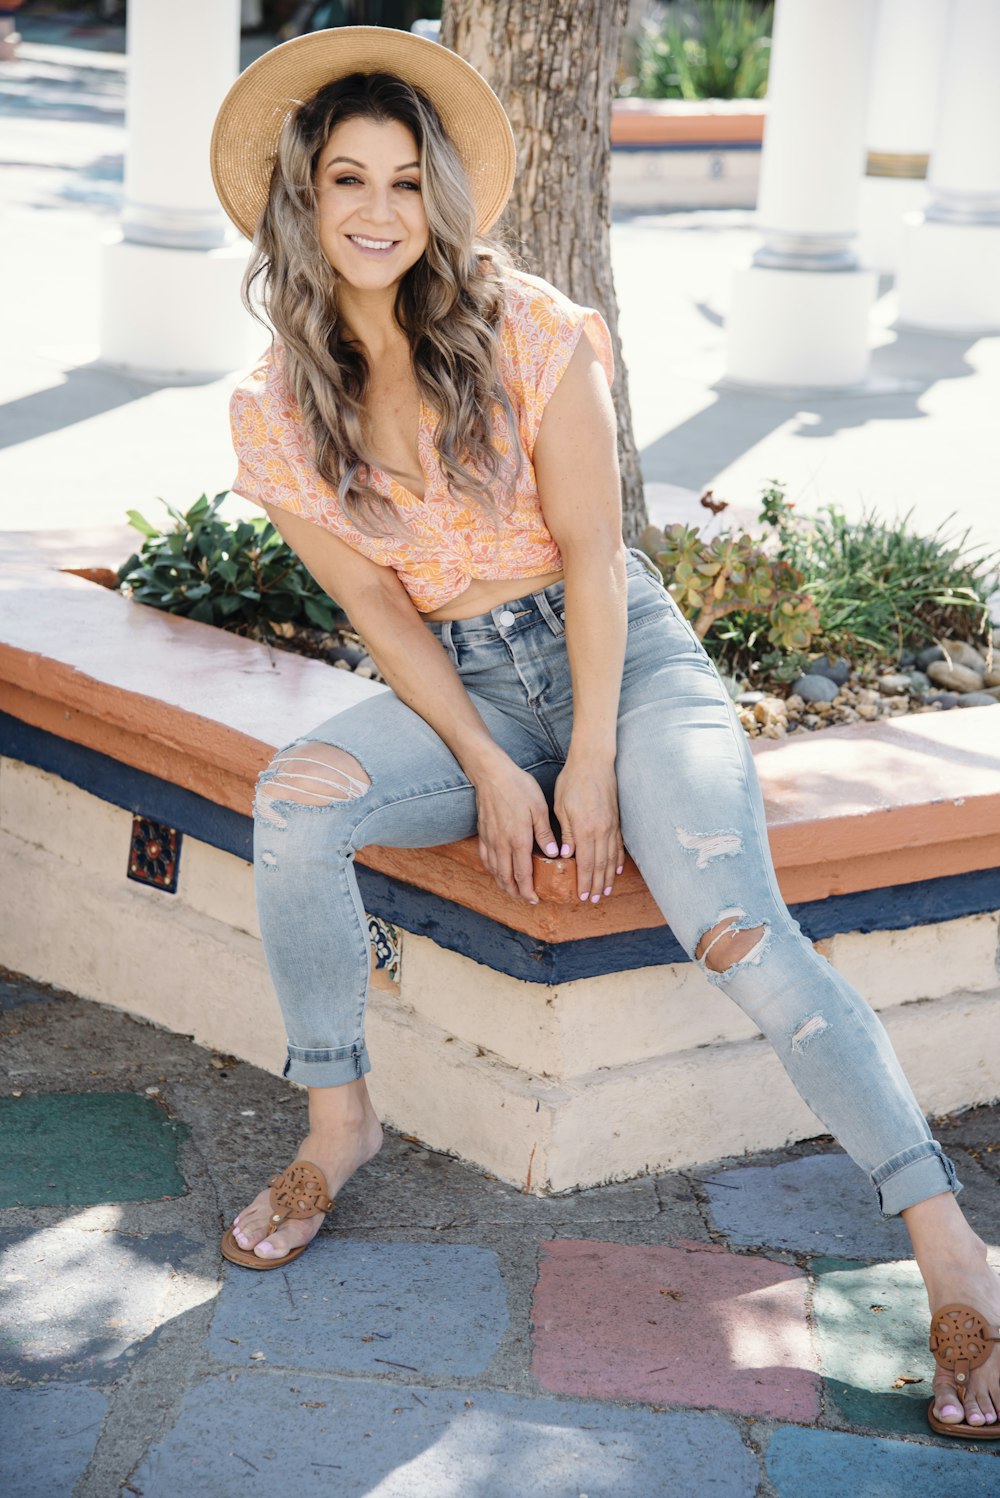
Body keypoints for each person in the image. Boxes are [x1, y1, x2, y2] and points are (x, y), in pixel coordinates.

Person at [210, 26, 1000, 1438]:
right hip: (465, 681)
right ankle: (340, 1120)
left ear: (438, 195)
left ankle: (951, 1245)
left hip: (622, 658)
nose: (379, 210)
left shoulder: (528, 326)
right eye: (348, 180)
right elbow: (386, 618)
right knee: (295, 799)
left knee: (735, 927)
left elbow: (588, 552)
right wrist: (488, 762)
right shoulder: (277, 407)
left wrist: (581, 762)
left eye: (405, 179)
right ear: (304, 199)